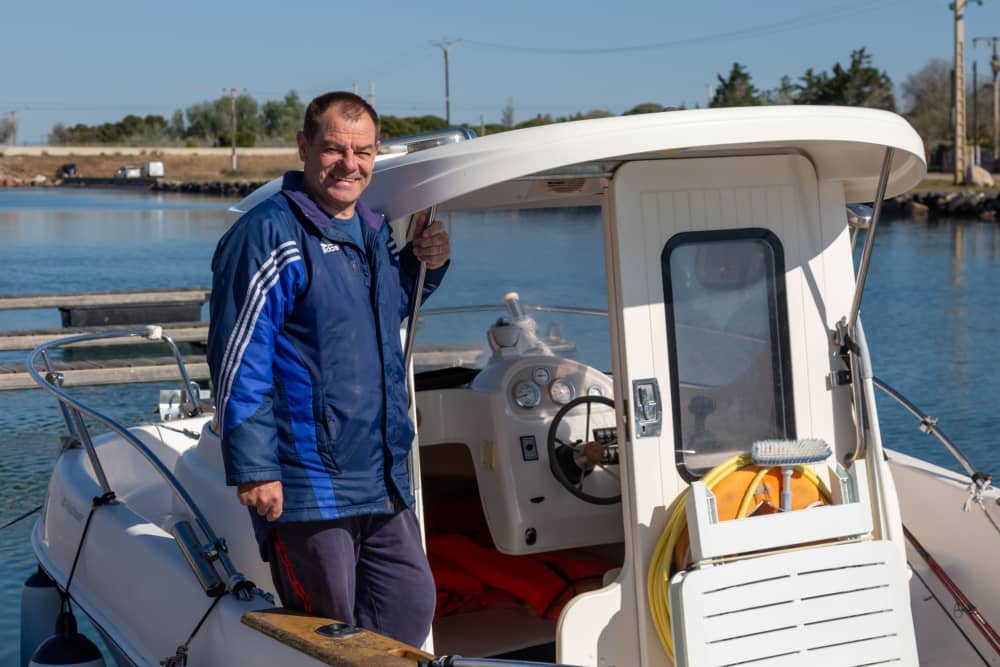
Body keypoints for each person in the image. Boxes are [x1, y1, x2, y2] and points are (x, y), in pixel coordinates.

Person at [206, 91, 449, 647]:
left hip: (380, 475)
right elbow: (238, 356)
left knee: (411, 605)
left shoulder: (370, 228)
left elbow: (381, 312)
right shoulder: (269, 234)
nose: (350, 164)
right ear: (304, 146)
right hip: (307, 482)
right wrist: (254, 466)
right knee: (332, 634)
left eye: (362, 152)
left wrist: (425, 264)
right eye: (335, 148)